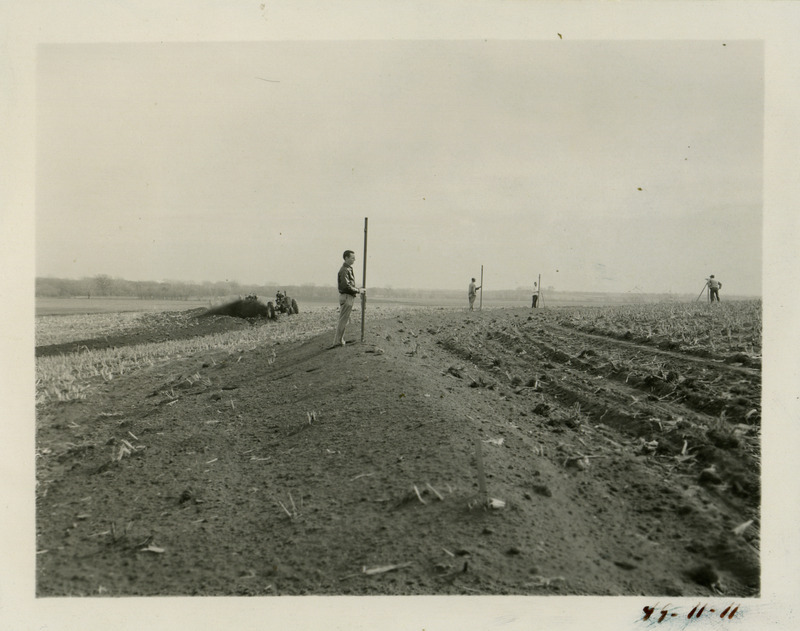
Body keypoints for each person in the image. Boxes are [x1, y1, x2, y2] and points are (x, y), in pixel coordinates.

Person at [333, 250, 365, 347]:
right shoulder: (344, 270)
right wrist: (358, 291)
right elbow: (346, 286)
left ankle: (339, 340)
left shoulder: (347, 269)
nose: (354, 259)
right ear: (346, 258)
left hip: (348, 296)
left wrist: (357, 289)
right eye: (352, 258)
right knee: (343, 320)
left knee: (344, 319)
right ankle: (338, 341)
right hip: (347, 297)